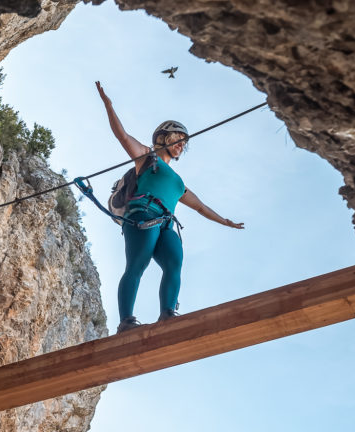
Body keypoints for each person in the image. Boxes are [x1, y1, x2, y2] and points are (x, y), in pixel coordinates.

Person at [95, 81, 244, 333]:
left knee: (175, 262)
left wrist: (225, 221)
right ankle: (126, 321)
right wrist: (109, 105)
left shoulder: (179, 183)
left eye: (184, 142)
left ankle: (167, 314)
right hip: (143, 215)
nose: (181, 145)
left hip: (165, 223)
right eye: (178, 139)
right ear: (162, 138)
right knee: (137, 264)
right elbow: (121, 135)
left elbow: (201, 207)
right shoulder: (146, 157)